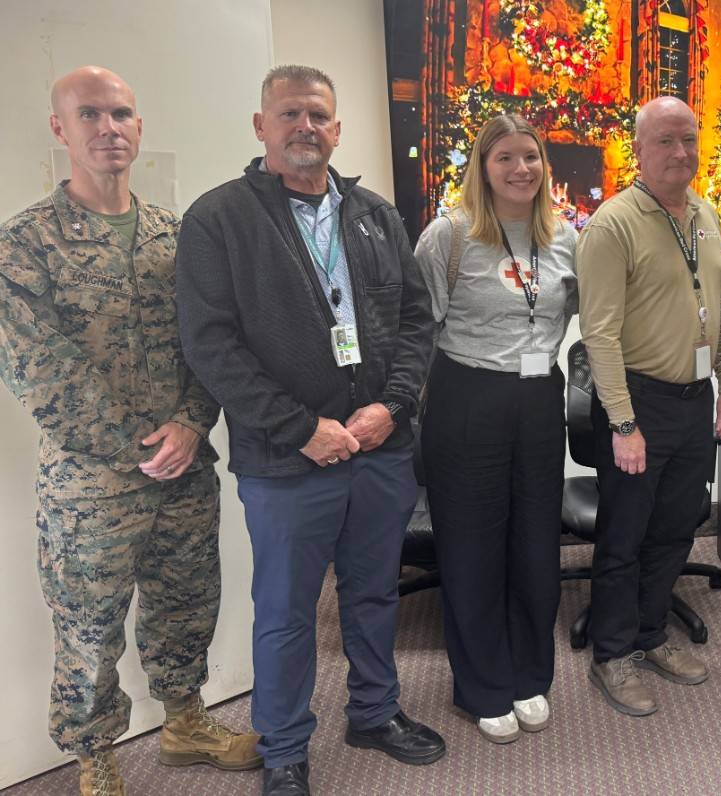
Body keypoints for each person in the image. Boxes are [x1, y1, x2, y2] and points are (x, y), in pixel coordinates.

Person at [175, 65, 442, 795]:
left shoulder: (376, 216)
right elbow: (211, 345)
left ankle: (375, 711)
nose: (306, 128)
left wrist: (392, 406)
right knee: (288, 612)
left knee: (373, 594)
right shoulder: (219, 219)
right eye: (290, 114)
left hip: (379, 448)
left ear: (337, 129)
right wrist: (300, 429)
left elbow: (416, 323)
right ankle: (286, 748)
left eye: (319, 115)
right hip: (286, 461)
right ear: (261, 126)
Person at [0, 66, 259, 796]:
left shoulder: (174, 238)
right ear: (61, 129)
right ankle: (94, 758)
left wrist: (189, 423)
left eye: (122, 114)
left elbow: (210, 343)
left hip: (184, 469)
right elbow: (38, 370)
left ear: (139, 127)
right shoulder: (23, 245)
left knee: (187, 603)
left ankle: (184, 724)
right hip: (91, 488)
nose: (108, 128)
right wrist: (136, 448)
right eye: (90, 115)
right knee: (88, 628)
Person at [414, 114, 577, 744]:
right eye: (505, 158)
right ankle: (481, 684)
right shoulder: (448, 236)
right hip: (467, 398)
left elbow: (602, 315)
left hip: (539, 400)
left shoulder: (564, 237)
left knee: (537, 542)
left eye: (531, 157)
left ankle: (530, 673)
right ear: (482, 167)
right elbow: (418, 331)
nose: (521, 170)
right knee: (473, 547)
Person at [576, 96, 721, 716]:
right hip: (636, 402)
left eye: (689, 140)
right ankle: (613, 655)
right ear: (639, 150)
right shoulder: (612, 224)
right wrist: (622, 423)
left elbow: (715, 314)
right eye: (665, 141)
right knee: (625, 535)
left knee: (678, 527)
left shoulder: (707, 213)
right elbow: (600, 335)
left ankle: (650, 635)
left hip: (694, 400)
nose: (680, 153)